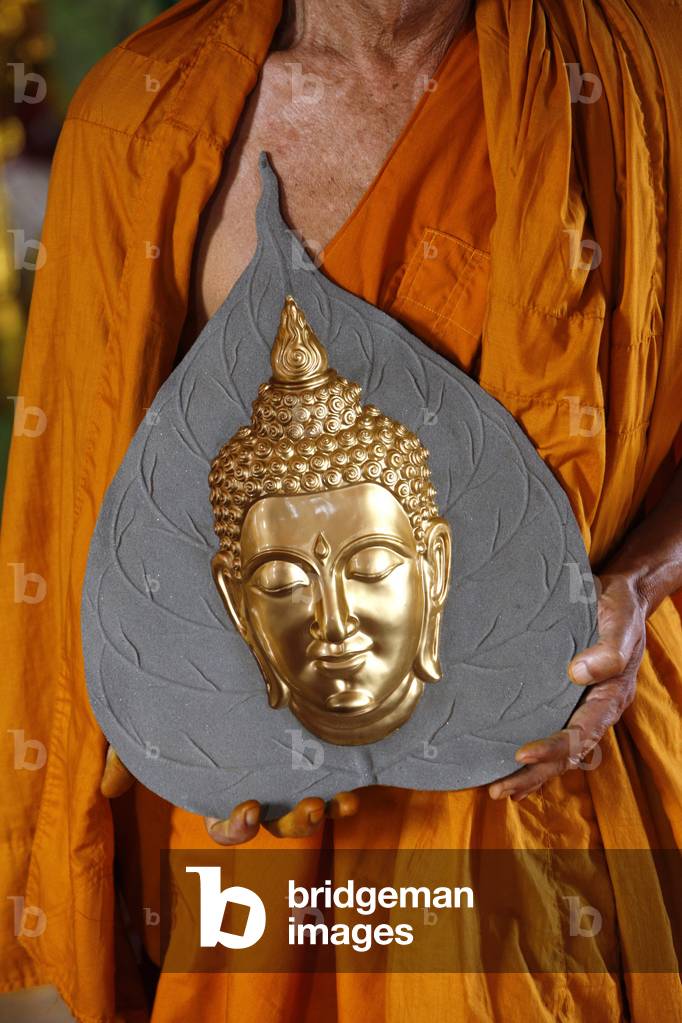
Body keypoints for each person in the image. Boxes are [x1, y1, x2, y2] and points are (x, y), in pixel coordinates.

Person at [2, 0, 680, 1020]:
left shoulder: (637, 72)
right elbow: (92, 484)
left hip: (556, 759)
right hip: (253, 800)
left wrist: (639, 580)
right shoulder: (143, 113)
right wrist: (178, 722)